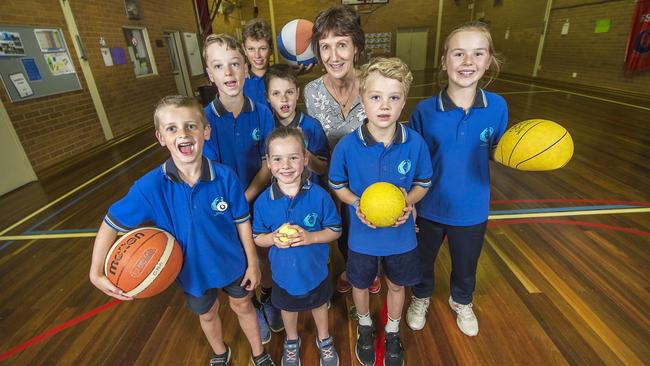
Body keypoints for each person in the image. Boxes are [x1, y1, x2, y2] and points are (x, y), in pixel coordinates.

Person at [89, 95, 274, 366]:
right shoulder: (149, 187)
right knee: (208, 314)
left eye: (191, 126)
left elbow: (242, 221)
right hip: (190, 272)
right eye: (172, 128)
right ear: (160, 137)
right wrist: (95, 272)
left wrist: (253, 262)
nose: (183, 134)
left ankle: (259, 353)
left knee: (244, 306)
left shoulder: (225, 177)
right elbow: (110, 223)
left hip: (232, 262)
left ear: (206, 131)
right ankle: (220, 352)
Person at [406, 21, 508, 337]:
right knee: (423, 261)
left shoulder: (497, 107)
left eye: (478, 54)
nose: (467, 63)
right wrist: (410, 202)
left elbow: (496, 152)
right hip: (430, 205)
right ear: (444, 61)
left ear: (488, 60)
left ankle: (462, 300)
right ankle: (420, 297)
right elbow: (414, 162)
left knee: (466, 264)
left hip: (472, 207)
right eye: (458, 54)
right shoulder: (424, 111)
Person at [329, 58, 432, 366]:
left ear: (403, 102)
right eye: (376, 97)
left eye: (394, 97)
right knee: (360, 283)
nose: (384, 105)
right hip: (362, 237)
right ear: (363, 100)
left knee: (398, 284)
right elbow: (337, 184)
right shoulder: (348, 146)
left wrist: (409, 201)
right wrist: (355, 203)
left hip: (401, 237)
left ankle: (392, 330)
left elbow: (423, 183)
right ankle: (364, 324)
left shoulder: (415, 144)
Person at [201, 33, 281, 344]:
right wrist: (235, 207)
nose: (229, 73)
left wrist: (246, 199)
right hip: (225, 210)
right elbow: (213, 173)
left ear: (245, 69)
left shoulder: (262, 112)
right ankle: (251, 306)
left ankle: (271, 298)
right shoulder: (205, 119)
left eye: (235, 64)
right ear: (210, 74)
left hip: (259, 202)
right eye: (219, 66)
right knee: (240, 262)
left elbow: (267, 165)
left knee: (265, 260)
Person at [304, 4, 381, 295]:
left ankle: (368, 267)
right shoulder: (311, 92)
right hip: (330, 176)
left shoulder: (374, 84)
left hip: (369, 174)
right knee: (341, 228)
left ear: (356, 47)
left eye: (341, 45)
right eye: (325, 47)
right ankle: (351, 266)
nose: (333, 56)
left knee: (368, 225)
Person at [253, 127, 342, 366]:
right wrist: (272, 238)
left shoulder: (320, 196)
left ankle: (324, 338)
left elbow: (336, 230)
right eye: (278, 159)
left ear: (304, 159)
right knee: (288, 309)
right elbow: (257, 237)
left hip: (316, 272)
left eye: (293, 157)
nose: (286, 165)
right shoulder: (263, 202)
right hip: (282, 276)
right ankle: (292, 340)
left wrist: (310, 237)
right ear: (269, 163)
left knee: (319, 305)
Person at [264, 64, 329, 186]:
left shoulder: (312, 126)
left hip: (309, 196)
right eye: (276, 93)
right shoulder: (266, 127)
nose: (284, 99)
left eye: (289, 92)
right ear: (267, 97)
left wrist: (302, 149)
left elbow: (322, 169)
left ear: (297, 93)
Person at [242, 19, 272, 106]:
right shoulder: (239, 80)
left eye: (263, 48)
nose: (257, 55)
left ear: (270, 48)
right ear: (244, 49)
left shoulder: (278, 77)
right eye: (251, 49)